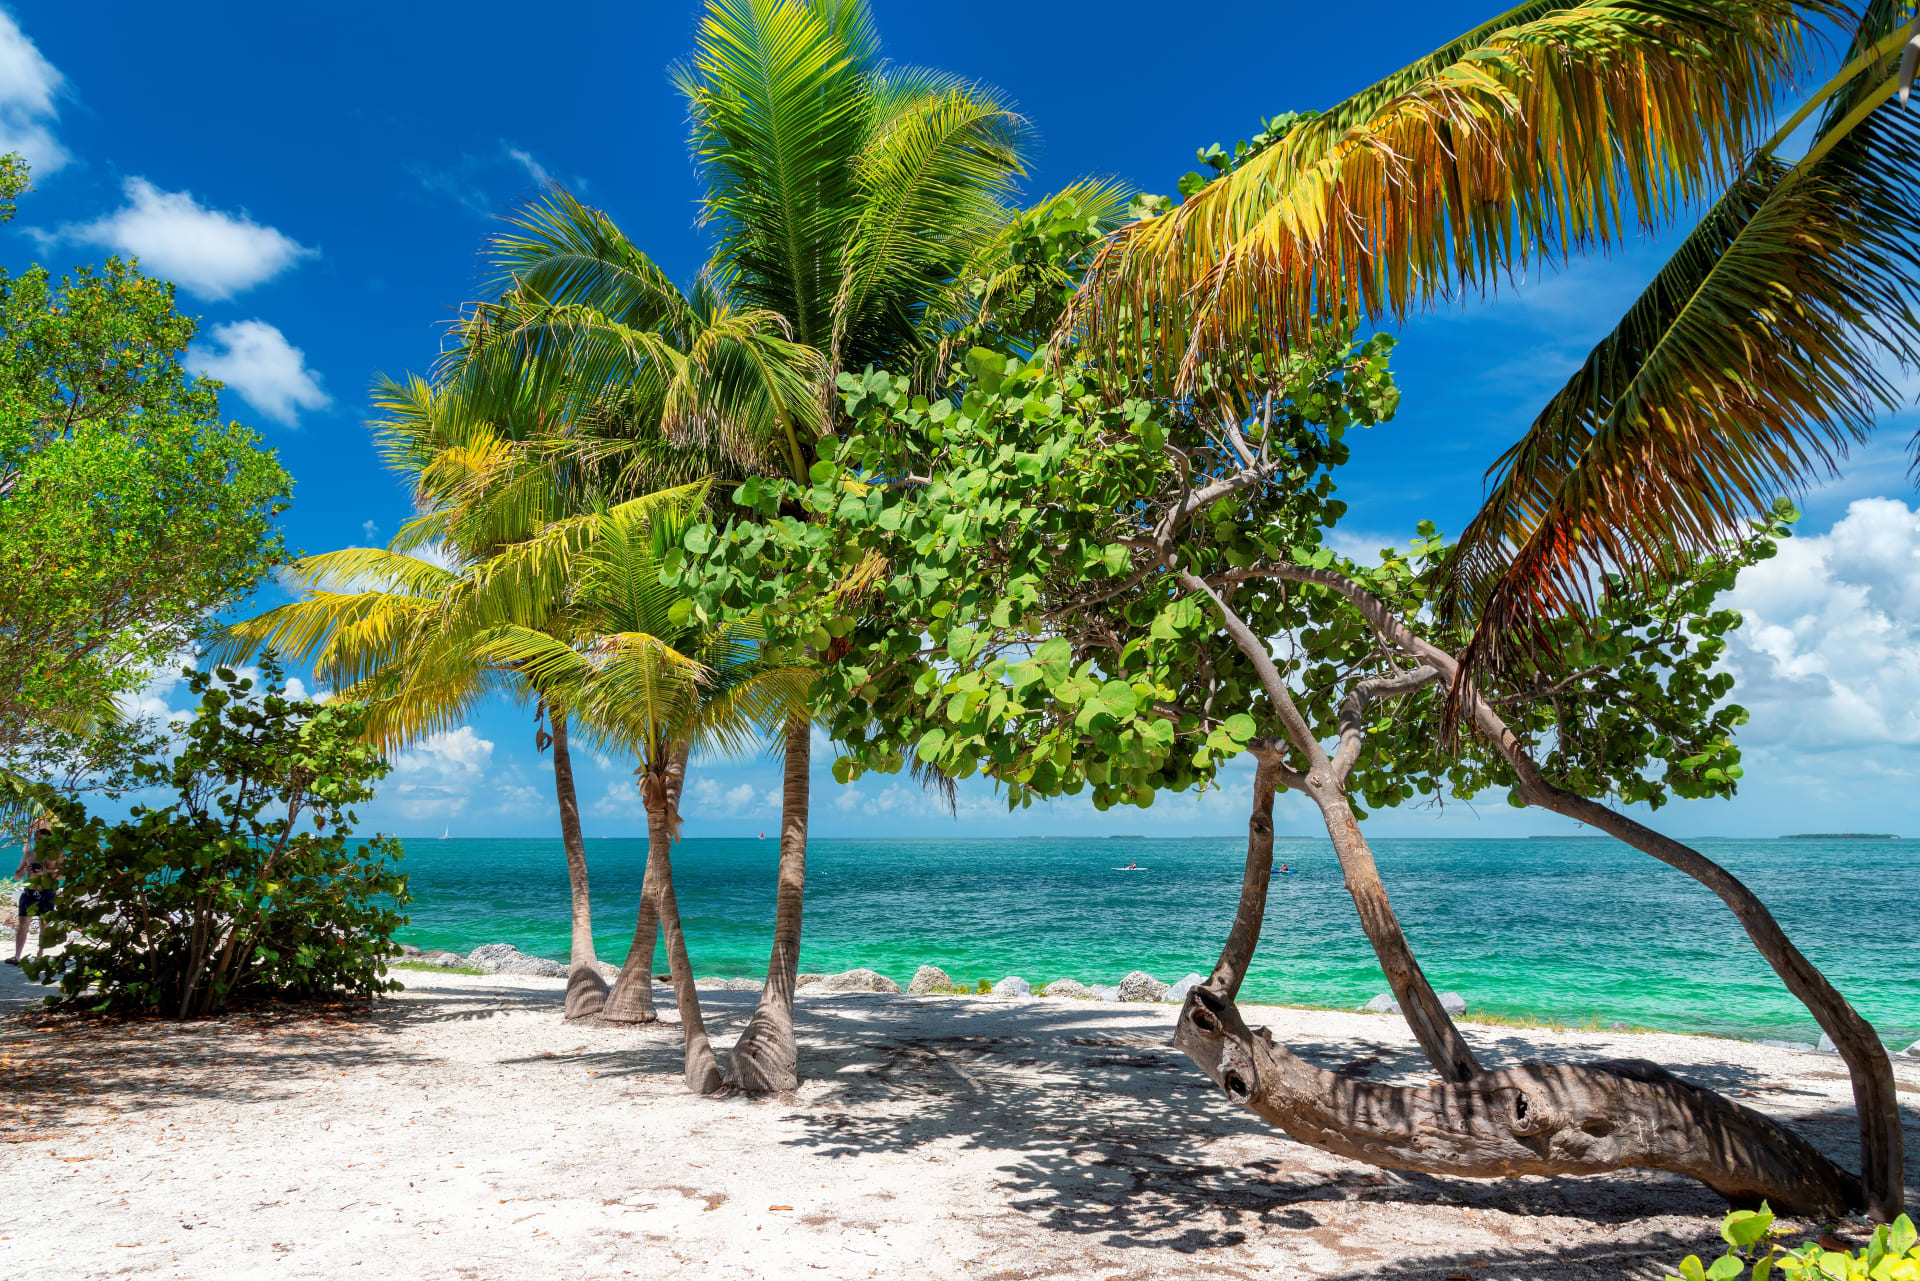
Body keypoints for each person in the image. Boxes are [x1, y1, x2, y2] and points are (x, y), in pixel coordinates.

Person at [9, 816, 58, 966]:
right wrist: (24, 871)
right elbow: (17, 876)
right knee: (23, 924)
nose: (36, 840)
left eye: (40, 838)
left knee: (44, 925)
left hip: (47, 892)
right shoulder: (29, 855)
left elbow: (64, 873)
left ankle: (40, 954)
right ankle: (17, 956)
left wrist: (45, 871)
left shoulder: (56, 854)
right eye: (36, 837)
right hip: (29, 893)